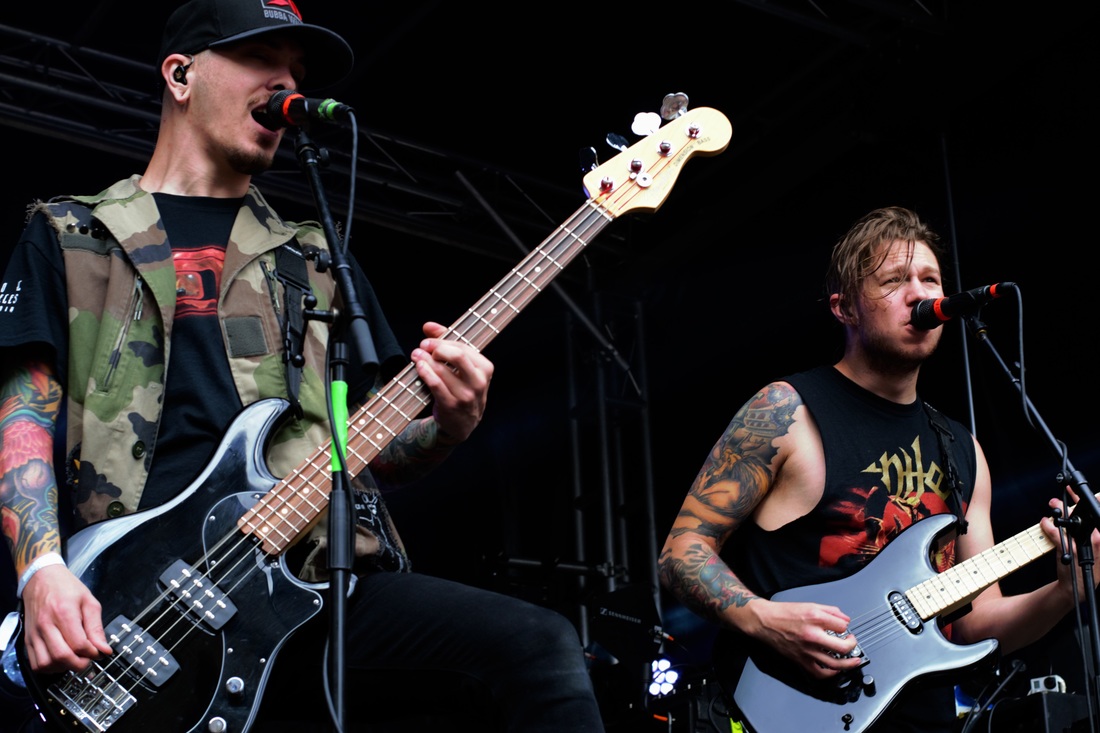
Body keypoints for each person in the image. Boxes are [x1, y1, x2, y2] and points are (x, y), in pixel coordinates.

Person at [0, 1, 605, 731]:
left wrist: (448, 425)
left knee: (537, 646)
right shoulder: (73, 234)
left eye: (296, 71)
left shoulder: (315, 259)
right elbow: (22, 415)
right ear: (181, 75)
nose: (285, 84)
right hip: (137, 607)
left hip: (314, 582)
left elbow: (376, 449)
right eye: (261, 59)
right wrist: (41, 570)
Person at [657, 206, 1100, 732]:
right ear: (845, 308)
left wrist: (1066, 591)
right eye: (894, 280)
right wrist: (764, 619)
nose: (919, 294)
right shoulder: (786, 412)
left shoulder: (963, 449)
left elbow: (977, 625)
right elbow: (680, 552)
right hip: (784, 711)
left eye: (930, 279)